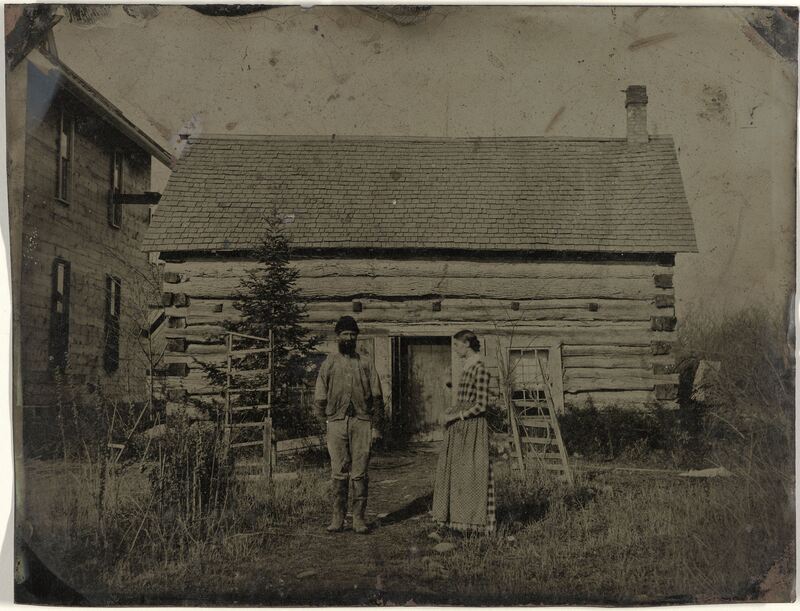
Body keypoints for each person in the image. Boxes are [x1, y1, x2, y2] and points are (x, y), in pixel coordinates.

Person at [314, 316, 384, 534]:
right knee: (338, 472)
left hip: (362, 422)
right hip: (336, 422)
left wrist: (376, 426)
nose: (349, 338)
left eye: (353, 334)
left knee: (360, 472)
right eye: (345, 334)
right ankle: (338, 518)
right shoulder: (329, 363)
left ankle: (359, 519)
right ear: (338, 336)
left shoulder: (366, 362)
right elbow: (320, 396)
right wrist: (323, 422)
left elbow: (377, 396)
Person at [432, 329, 496, 534]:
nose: (455, 349)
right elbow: (463, 401)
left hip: (473, 427)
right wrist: (450, 411)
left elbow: (481, 406)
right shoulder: (467, 367)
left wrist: (456, 416)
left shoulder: (480, 369)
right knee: (458, 474)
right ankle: (456, 522)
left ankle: (473, 524)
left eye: (457, 345)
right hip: (461, 427)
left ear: (467, 344)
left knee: (472, 473)